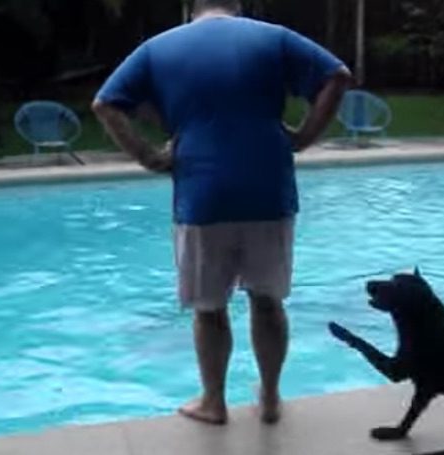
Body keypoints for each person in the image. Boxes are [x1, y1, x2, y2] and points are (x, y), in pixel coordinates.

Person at [91, 0, 353, 426]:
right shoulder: (274, 37)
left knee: (209, 308)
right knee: (267, 301)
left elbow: (105, 104)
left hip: (202, 192)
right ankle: (269, 398)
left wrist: (149, 156)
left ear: (192, 8)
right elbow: (337, 76)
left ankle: (214, 402)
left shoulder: (159, 47)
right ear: (238, 6)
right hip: (269, 189)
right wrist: (305, 136)